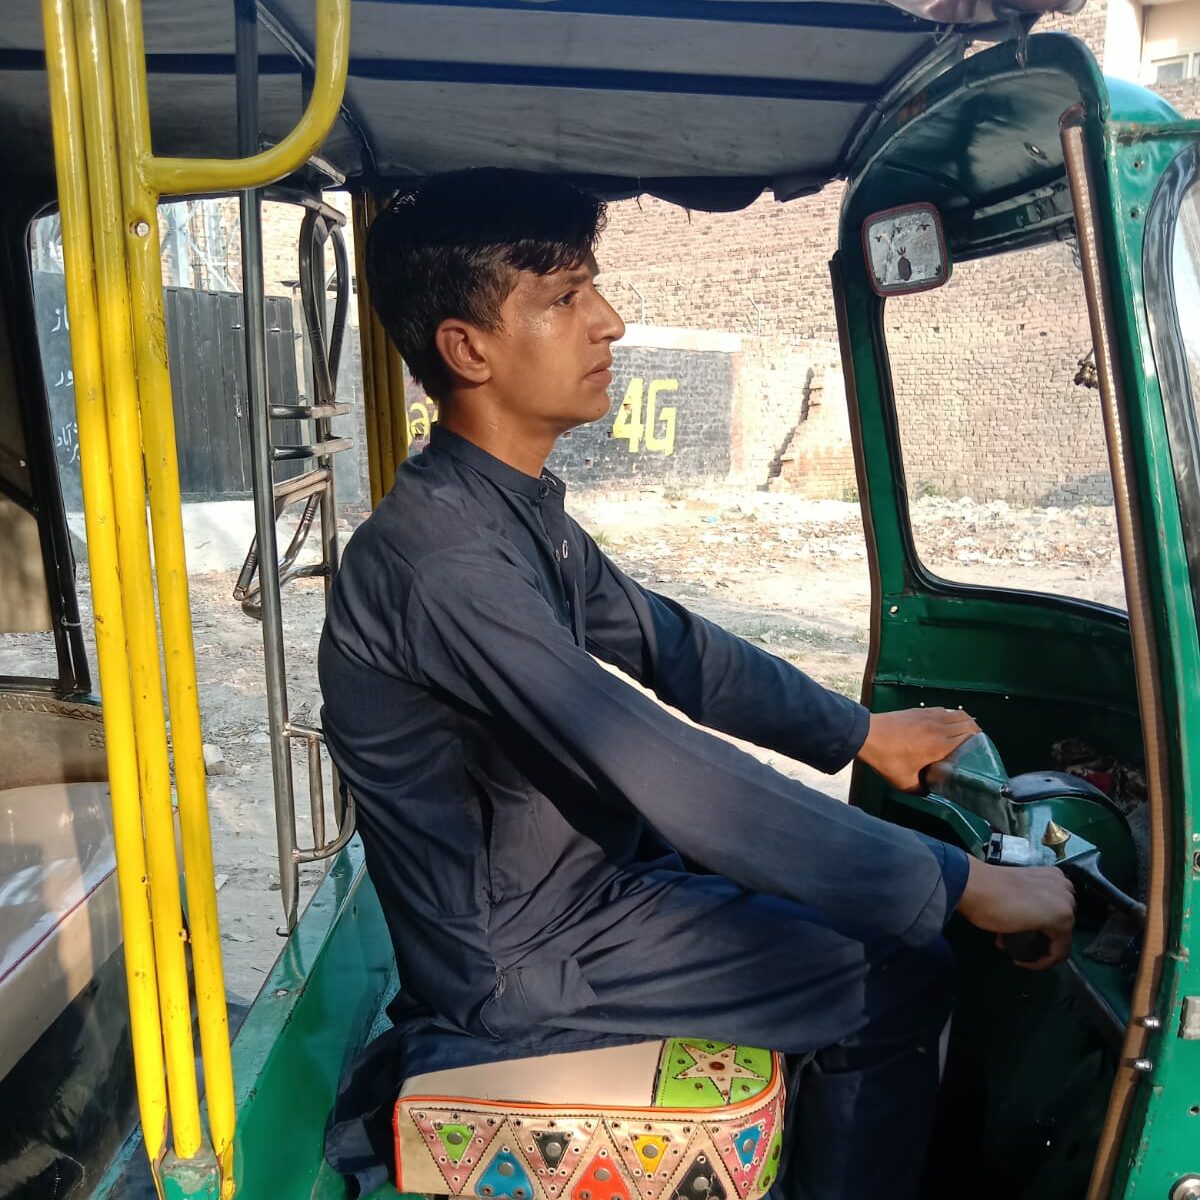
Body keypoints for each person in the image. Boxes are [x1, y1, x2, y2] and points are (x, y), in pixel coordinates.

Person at [318, 168, 1076, 1200]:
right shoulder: (441, 561)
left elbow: (674, 647)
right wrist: (958, 885)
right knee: (896, 973)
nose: (611, 323)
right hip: (525, 956)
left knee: (852, 908)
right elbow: (649, 753)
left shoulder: (505, 509)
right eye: (566, 298)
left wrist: (857, 733)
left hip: (582, 898)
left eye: (594, 289)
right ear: (468, 349)